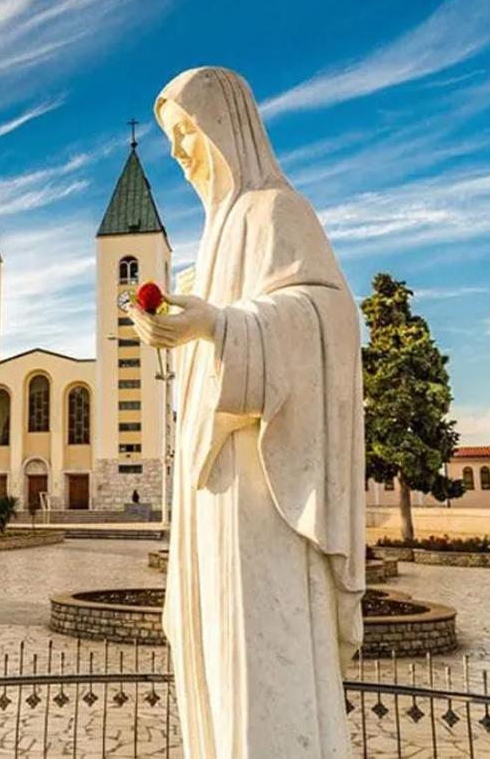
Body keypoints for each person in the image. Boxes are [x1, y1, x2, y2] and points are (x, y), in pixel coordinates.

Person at [129, 67, 364, 758]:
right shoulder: (215, 238)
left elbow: (325, 317)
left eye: (186, 133)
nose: (178, 153)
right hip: (210, 482)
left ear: (225, 128)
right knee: (215, 642)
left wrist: (220, 326)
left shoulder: (274, 212)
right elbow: (219, 328)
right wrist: (179, 324)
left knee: (257, 639)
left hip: (260, 484)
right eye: (171, 138)